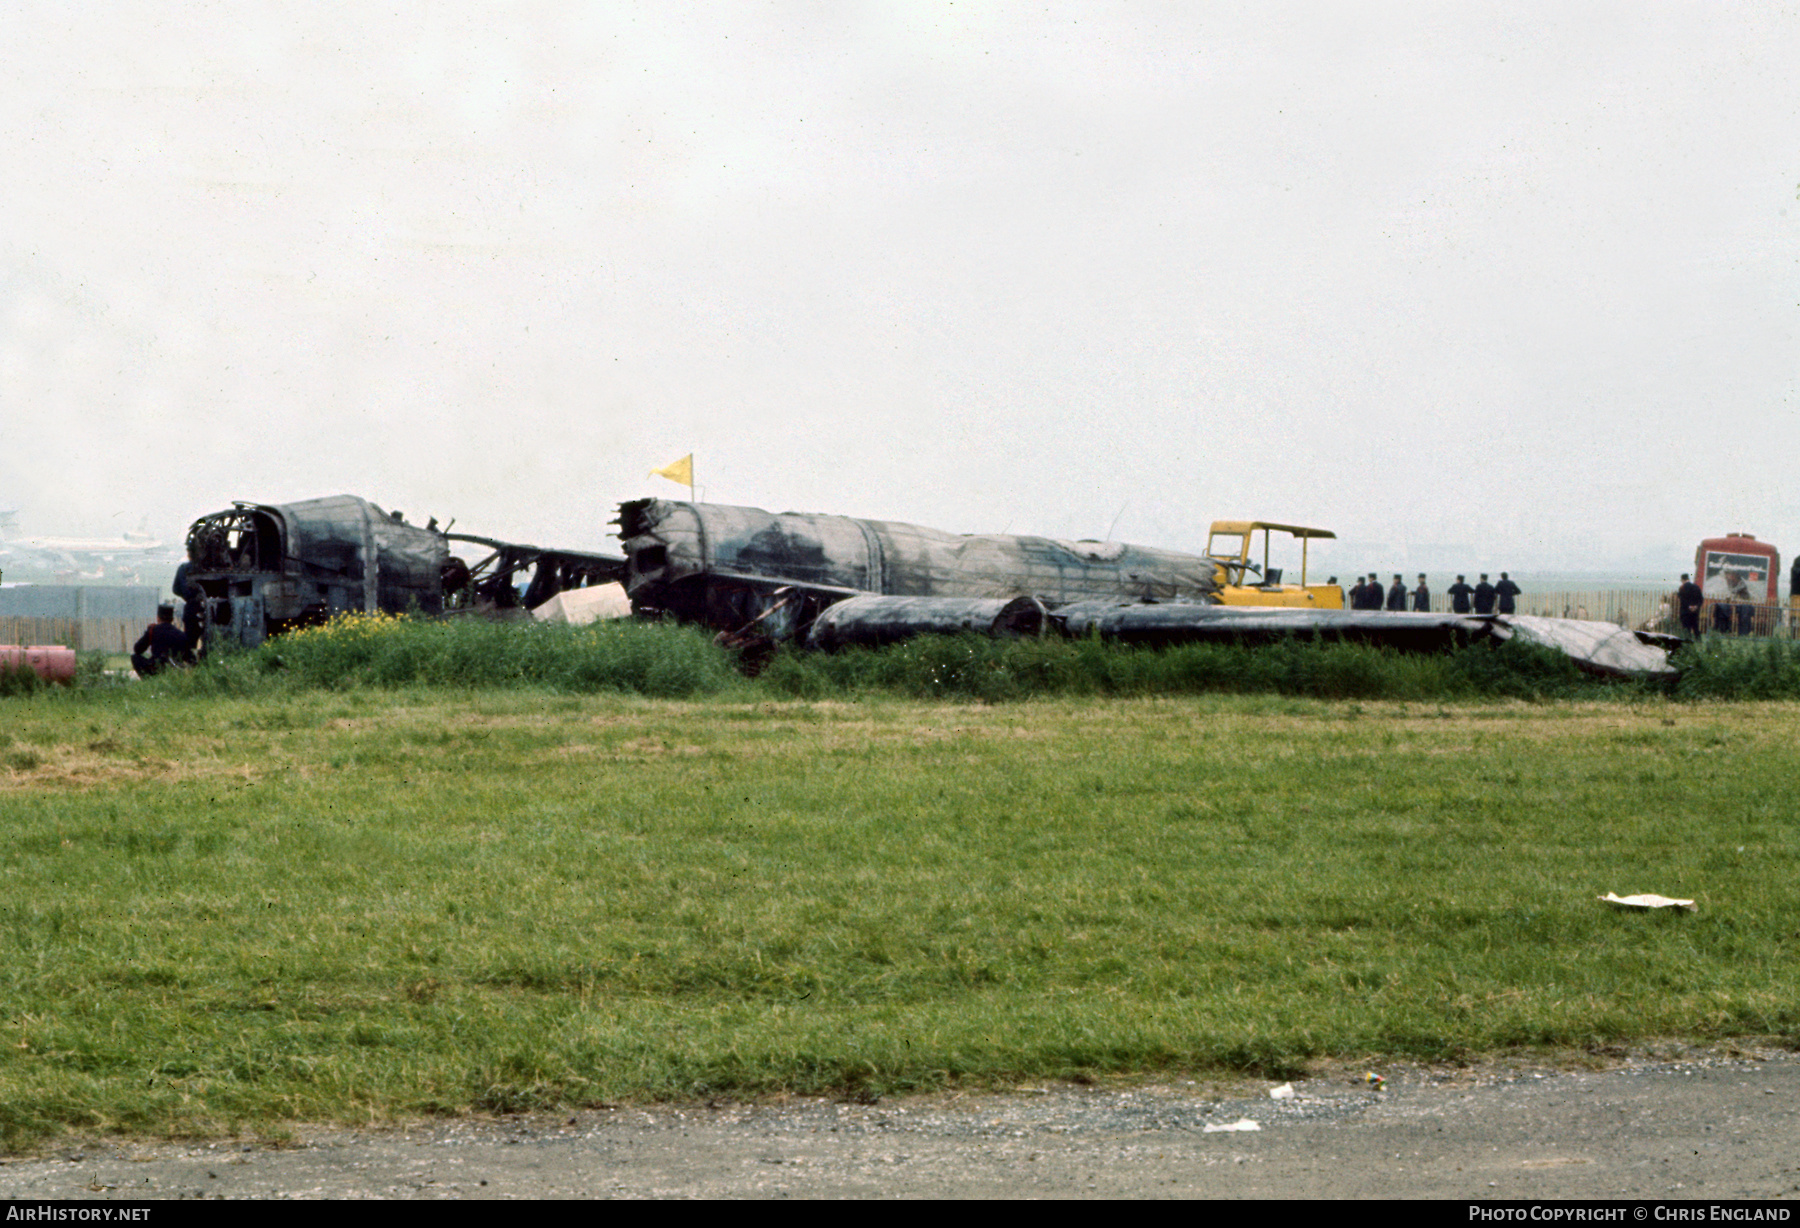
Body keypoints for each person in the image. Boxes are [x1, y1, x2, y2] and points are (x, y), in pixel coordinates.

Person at [132, 605, 194, 677]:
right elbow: (188, 656)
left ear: (158, 618)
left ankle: (148, 679)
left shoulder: (153, 630)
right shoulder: (180, 634)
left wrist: (148, 634)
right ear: (172, 619)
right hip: (173, 668)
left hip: (156, 667)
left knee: (135, 657)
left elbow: (137, 649)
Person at [1677, 573, 1704, 638]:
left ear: (1682, 580)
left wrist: (1689, 606)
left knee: (1686, 629)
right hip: (1695, 612)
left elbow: (1682, 600)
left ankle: (1688, 642)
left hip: (1685, 612)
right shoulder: (1696, 587)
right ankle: (1699, 641)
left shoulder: (1682, 588)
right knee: (1695, 627)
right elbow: (1701, 599)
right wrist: (1696, 606)